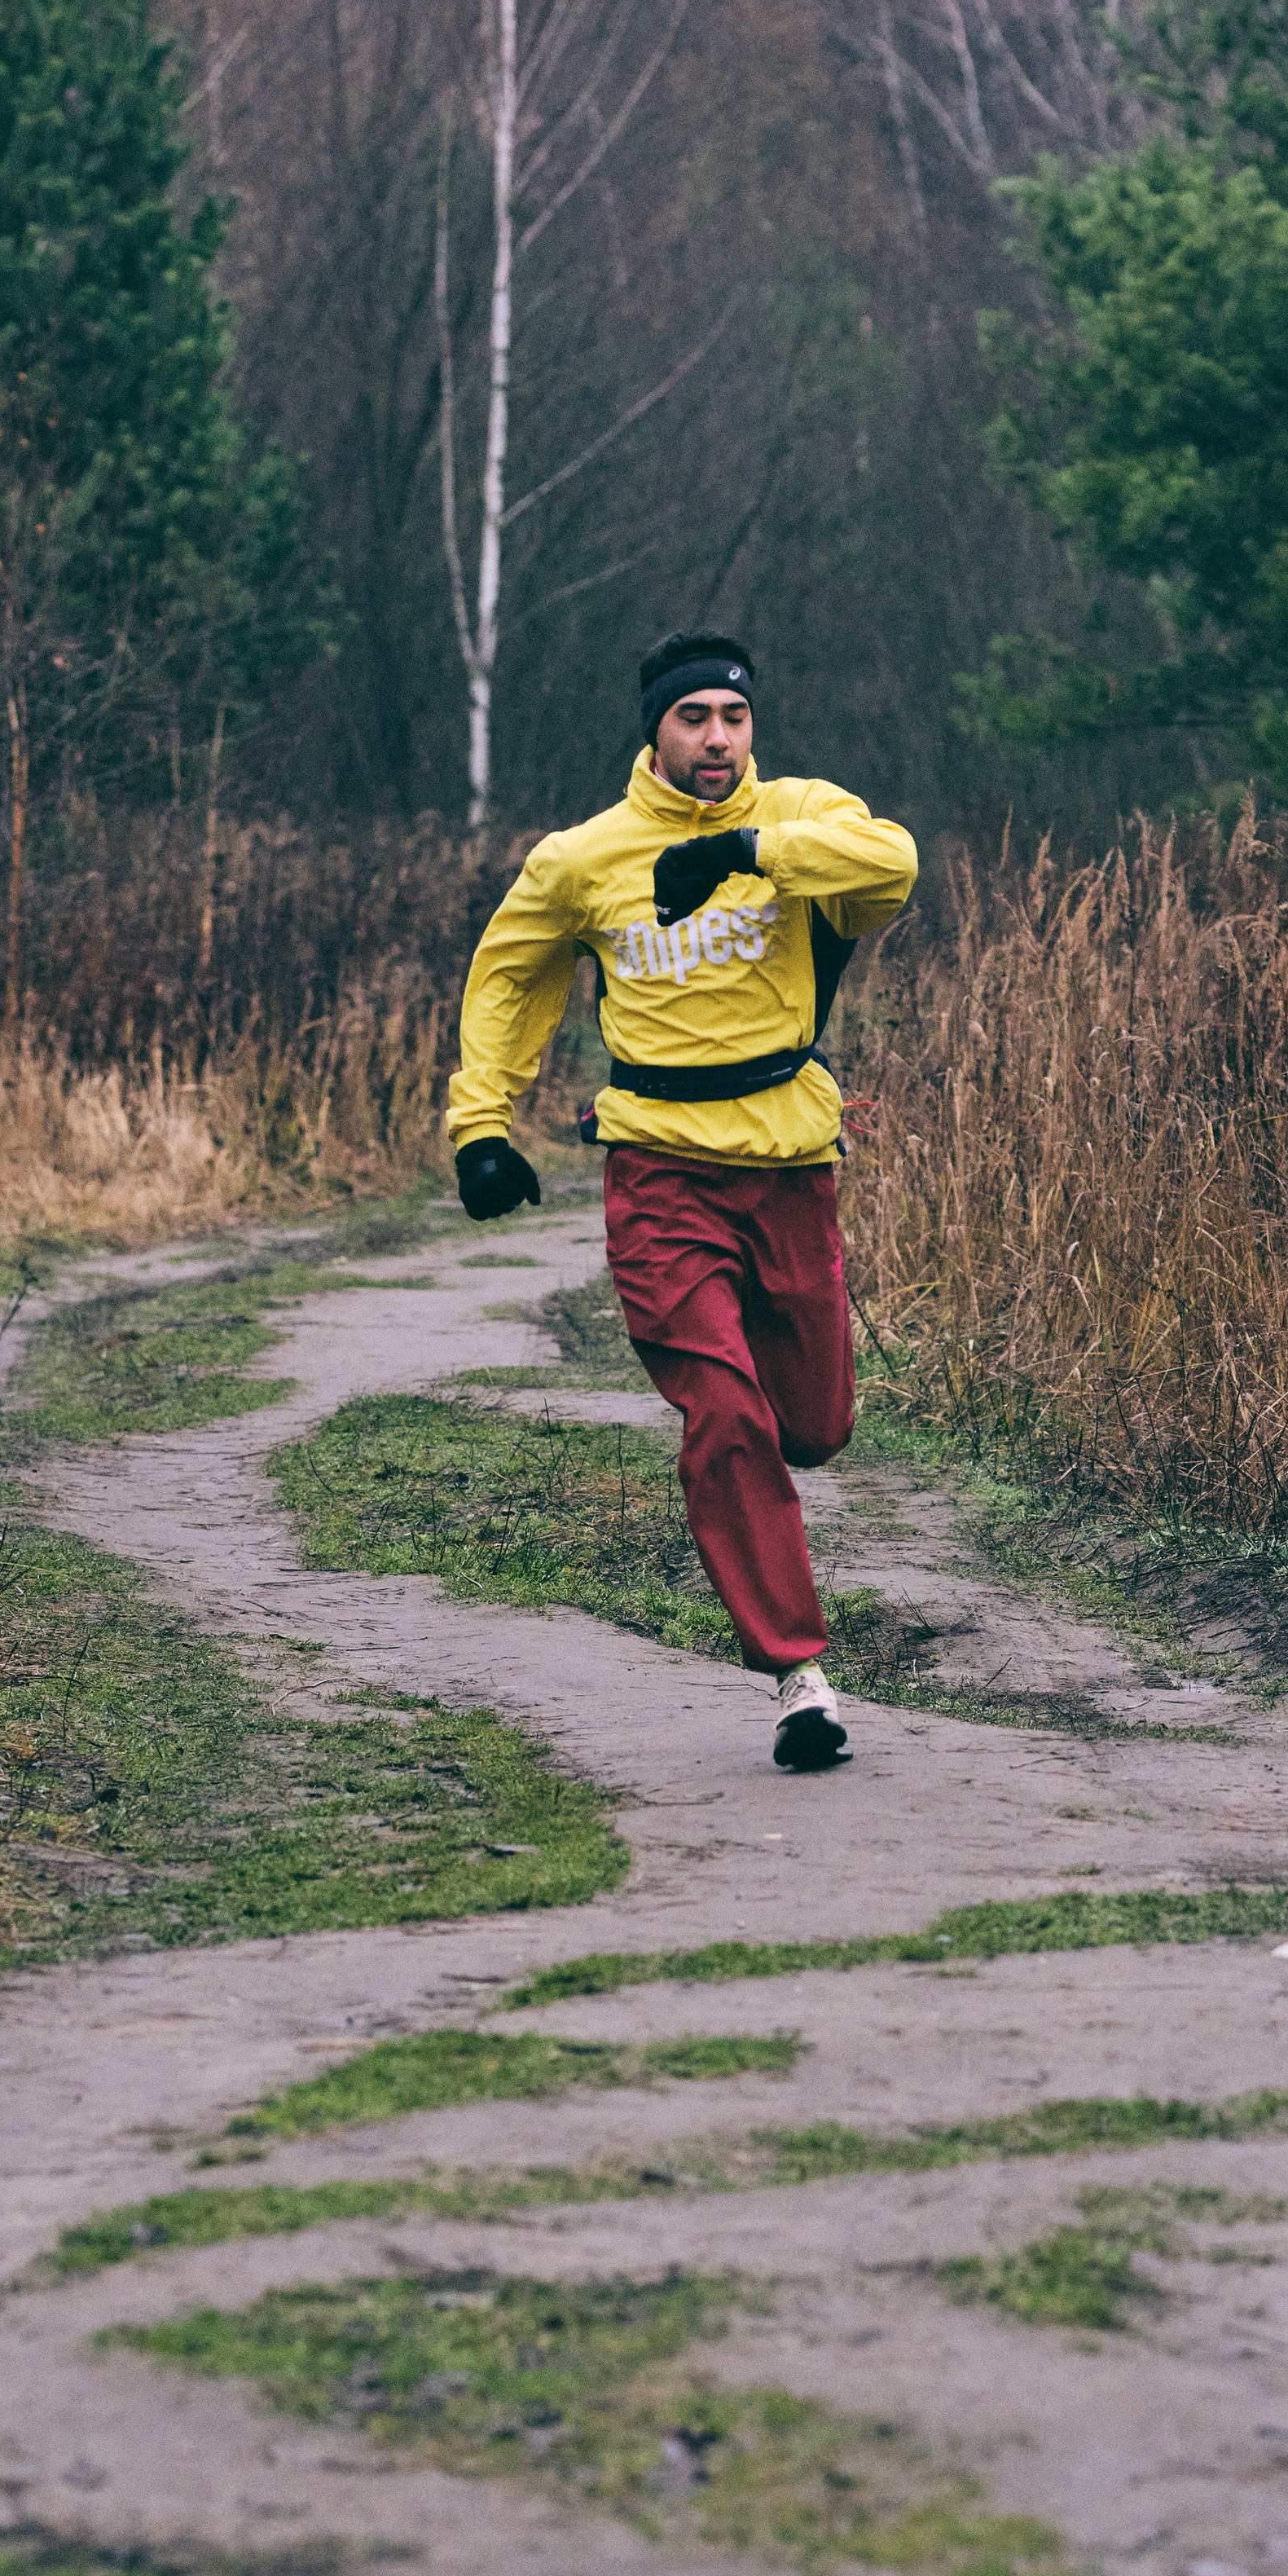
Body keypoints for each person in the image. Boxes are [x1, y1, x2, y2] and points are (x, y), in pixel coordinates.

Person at [446, 630, 918, 1771]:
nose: (717, 738)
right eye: (693, 717)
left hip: (794, 1157)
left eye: (734, 717)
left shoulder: (807, 814)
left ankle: (788, 1528)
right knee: (728, 1416)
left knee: (813, 1424)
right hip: (659, 1167)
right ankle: (798, 1678)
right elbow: (512, 979)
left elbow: (891, 867)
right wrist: (481, 1125)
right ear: (653, 729)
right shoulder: (584, 859)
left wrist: (753, 851)